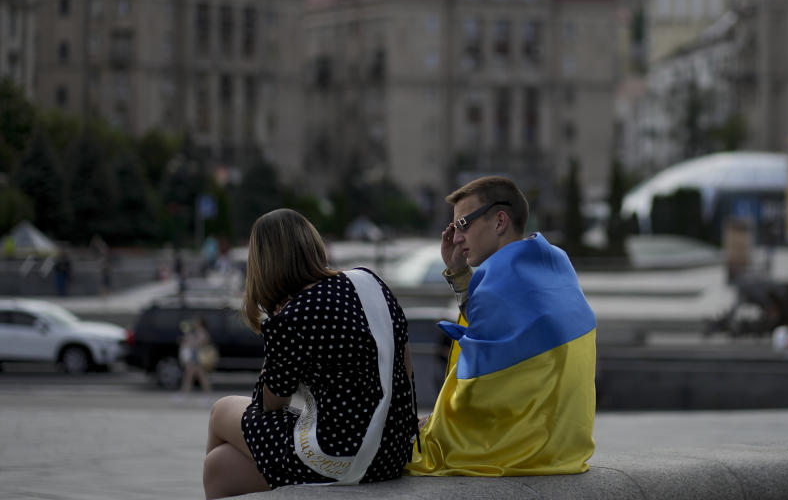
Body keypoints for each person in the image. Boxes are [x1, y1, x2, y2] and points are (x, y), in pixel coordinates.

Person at [203, 208, 418, 500]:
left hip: (340, 458)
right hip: (393, 451)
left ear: (263, 264)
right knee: (218, 468)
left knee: (220, 411)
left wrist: (276, 337)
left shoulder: (292, 317)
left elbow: (271, 403)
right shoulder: (370, 281)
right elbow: (405, 368)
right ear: (312, 245)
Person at [407, 176, 597, 477]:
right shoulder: (556, 261)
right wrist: (458, 272)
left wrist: (432, 425)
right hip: (567, 445)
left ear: (499, 222)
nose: (456, 238)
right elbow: (497, 327)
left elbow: (474, 397)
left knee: (403, 446)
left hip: (519, 451)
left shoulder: (496, 283)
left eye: (463, 225)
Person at [179, 317, 215, 395]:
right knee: (191, 375)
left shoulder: (202, 332)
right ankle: (184, 394)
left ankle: (207, 395)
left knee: (198, 376)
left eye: (196, 321)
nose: (195, 323)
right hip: (195, 357)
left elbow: (199, 344)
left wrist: (189, 341)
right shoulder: (197, 332)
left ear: (200, 323)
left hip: (199, 357)